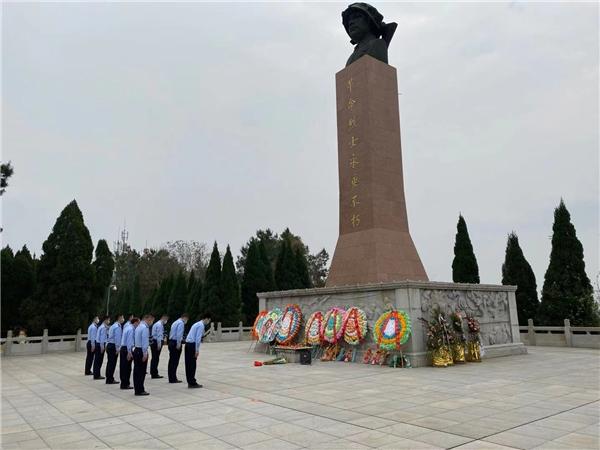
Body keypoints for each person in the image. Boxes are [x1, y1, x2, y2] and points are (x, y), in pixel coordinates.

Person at [184, 313, 212, 388]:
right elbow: (197, 339)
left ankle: (190, 381)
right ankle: (192, 382)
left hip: (188, 344)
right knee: (192, 365)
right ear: (206, 318)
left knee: (188, 364)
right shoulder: (201, 325)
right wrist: (197, 350)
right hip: (192, 345)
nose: (208, 322)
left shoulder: (197, 324)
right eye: (209, 320)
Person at [133, 314, 154, 396]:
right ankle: (140, 390)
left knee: (137, 371)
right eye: (151, 320)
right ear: (147, 319)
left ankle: (137, 389)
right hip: (141, 350)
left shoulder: (138, 326)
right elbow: (145, 342)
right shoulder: (145, 328)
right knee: (141, 372)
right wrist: (145, 353)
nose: (152, 322)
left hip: (137, 349)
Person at [167, 313, 189, 383]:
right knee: (175, 361)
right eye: (187, 320)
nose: (186, 321)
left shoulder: (175, 322)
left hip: (171, 342)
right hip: (175, 343)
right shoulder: (181, 323)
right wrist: (179, 344)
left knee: (171, 361)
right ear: (185, 318)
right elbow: (179, 334)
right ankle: (173, 378)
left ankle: (171, 377)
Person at [119, 317, 139, 390]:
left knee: (123, 367)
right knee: (127, 368)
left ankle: (123, 383)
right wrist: (129, 352)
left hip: (123, 348)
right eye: (138, 323)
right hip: (127, 349)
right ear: (135, 322)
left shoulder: (127, 327)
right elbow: (129, 342)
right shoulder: (131, 329)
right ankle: (125, 384)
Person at [105, 314, 124, 384]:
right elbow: (117, 339)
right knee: (112, 363)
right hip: (113, 346)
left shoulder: (113, 326)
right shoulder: (117, 327)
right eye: (122, 317)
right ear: (119, 318)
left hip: (110, 345)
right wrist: (117, 348)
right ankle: (110, 379)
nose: (123, 319)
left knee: (109, 363)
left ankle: (108, 378)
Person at [150, 313, 168, 379]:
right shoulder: (160, 325)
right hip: (156, 342)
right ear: (163, 318)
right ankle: (154, 373)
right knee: (156, 358)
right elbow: (159, 335)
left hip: (153, 342)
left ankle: (153, 372)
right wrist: (159, 344)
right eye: (166, 319)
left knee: (154, 358)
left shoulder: (156, 324)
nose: (166, 321)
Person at [93, 316, 110, 380]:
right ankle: (97, 375)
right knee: (99, 361)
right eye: (108, 320)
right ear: (105, 320)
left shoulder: (102, 326)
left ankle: (96, 374)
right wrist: (102, 347)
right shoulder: (103, 328)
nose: (109, 321)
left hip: (98, 344)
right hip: (100, 345)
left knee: (97, 360)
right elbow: (102, 338)